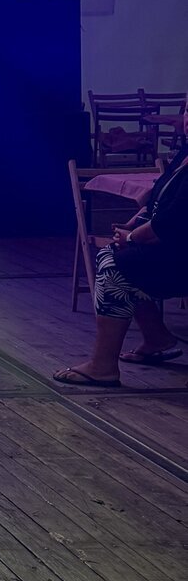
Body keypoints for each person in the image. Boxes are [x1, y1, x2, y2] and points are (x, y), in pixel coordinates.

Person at [55, 102, 188, 388]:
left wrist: (131, 238)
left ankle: (103, 366)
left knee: (114, 264)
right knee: (118, 255)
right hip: (174, 246)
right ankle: (156, 338)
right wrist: (132, 226)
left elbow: (170, 224)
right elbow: (156, 202)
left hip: (181, 254)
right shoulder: (185, 153)